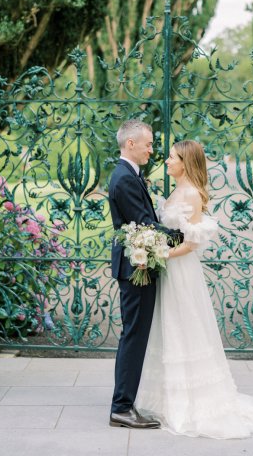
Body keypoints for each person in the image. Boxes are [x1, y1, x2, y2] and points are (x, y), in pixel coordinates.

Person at [135, 140, 253, 439]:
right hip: (169, 271)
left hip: (181, 272)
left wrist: (160, 254)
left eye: (171, 157)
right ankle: (167, 398)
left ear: (185, 162)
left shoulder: (191, 193)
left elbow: (191, 244)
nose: (167, 161)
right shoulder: (176, 189)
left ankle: (191, 403)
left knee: (183, 328)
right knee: (168, 329)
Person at [108, 120, 183, 429]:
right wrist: (180, 236)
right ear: (131, 145)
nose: (152, 150)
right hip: (135, 268)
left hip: (140, 266)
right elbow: (143, 223)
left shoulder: (129, 175)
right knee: (134, 336)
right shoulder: (124, 178)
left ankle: (125, 403)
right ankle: (121, 407)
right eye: (149, 144)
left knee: (135, 335)